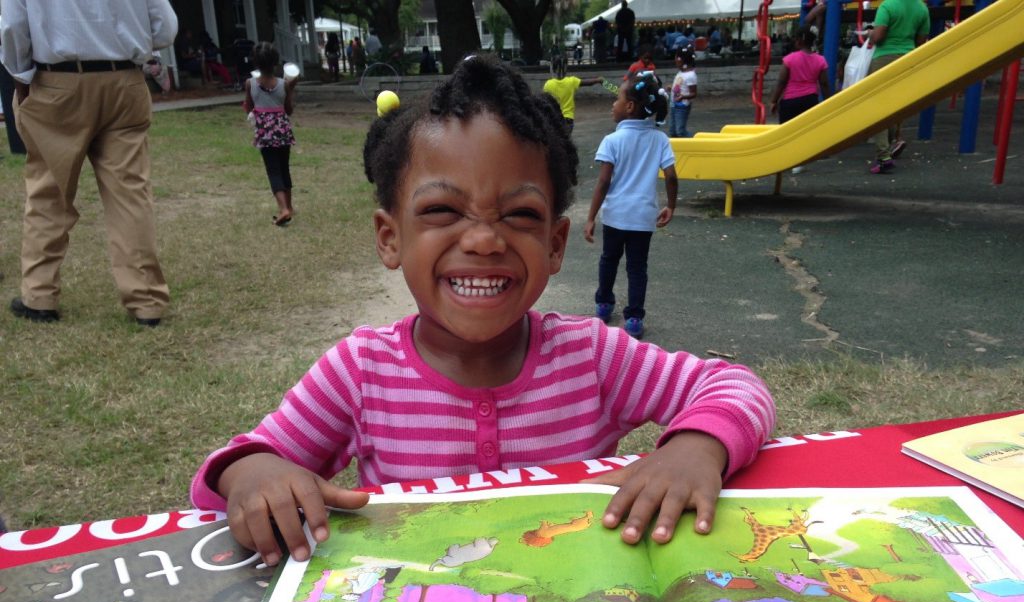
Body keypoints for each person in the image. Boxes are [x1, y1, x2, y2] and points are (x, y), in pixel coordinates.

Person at [190, 54, 775, 566]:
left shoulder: (594, 355)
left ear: (554, 244)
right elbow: (233, 472)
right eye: (444, 209)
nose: (484, 240)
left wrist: (695, 448)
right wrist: (251, 474)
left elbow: (734, 386)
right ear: (390, 238)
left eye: (519, 215)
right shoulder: (360, 372)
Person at [1, 0, 176, 326]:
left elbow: (12, 27)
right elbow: (164, 25)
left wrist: (20, 79)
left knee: (48, 192)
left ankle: (39, 296)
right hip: (125, 80)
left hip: (57, 82)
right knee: (130, 195)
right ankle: (147, 301)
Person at [584, 70, 677, 341]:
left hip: (615, 216)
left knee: (608, 260)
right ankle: (634, 319)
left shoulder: (612, 140)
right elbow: (671, 176)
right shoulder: (660, 139)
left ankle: (604, 304)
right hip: (643, 218)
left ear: (629, 107)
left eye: (617, 99)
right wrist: (671, 205)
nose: (612, 105)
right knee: (637, 268)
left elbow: (603, 182)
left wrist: (590, 217)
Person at [867, 0, 930, 174]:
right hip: (907, 59)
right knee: (894, 105)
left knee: (877, 107)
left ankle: (883, 155)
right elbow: (920, 40)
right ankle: (888, 145)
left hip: (884, 58)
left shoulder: (887, 6)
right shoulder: (921, 8)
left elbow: (878, 37)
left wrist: (870, 33)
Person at [244, 42, 298, 226]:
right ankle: (289, 207)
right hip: (283, 132)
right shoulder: (284, 84)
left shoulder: (250, 83)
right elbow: (288, 110)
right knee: (284, 168)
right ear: (275, 63)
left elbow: (248, 106)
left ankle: (283, 209)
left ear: (256, 63)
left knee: (273, 170)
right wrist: (290, 90)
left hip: (265, 134)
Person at [769, 27, 830, 173]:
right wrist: (829, 100)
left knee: (787, 131)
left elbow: (782, 82)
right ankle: (800, 160)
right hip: (810, 99)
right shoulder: (820, 60)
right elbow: (824, 83)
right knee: (805, 131)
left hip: (790, 100)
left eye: (796, 38)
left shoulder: (790, 59)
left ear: (800, 41)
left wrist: (773, 100)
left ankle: (787, 159)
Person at [543, 58, 602, 134]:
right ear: (566, 68)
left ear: (553, 69)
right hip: (568, 119)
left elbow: (545, 102)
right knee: (566, 140)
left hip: (554, 119)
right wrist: (598, 80)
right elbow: (589, 83)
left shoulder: (548, 84)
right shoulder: (572, 81)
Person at [670, 48, 698, 138]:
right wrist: (672, 88)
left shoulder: (690, 76)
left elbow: (694, 93)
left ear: (680, 60)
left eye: (676, 59)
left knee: (680, 131)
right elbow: (681, 86)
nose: (675, 62)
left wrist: (683, 97)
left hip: (682, 107)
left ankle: (695, 141)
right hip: (674, 104)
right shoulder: (681, 72)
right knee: (672, 130)